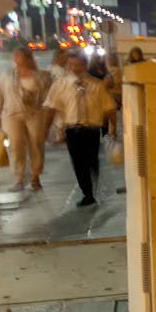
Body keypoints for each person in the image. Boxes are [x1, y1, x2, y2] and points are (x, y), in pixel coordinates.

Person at [43, 53, 118, 207]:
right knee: (78, 163)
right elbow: (51, 107)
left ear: (84, 65)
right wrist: (46, 128)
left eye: (77, 65)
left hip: (91, 129)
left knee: (92, 160)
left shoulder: (96, 85)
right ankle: (87, 193)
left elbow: (110, 108)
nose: (74, 68)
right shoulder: (61, 85)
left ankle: (94, 186)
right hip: (72, 129)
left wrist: (113, 127)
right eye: (71, 65)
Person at [0, 48, 53, 191]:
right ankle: (18, 178)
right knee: (15, 145)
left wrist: (48, 120)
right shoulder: (7, 75)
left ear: (27, 58)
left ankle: (35, 177)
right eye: (15, 56)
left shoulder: (40, 76)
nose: (15, 58)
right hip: (12, 115)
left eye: (18, 56)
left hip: (34, 114)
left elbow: (48, 98)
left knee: (36, 145)